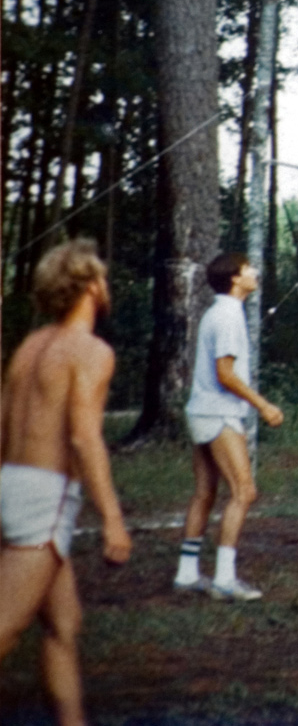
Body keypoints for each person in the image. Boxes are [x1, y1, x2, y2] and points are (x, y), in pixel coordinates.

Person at [0, 239, 132, 726]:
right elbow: (83, 438)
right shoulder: (91, 351)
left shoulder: (30, 346)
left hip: (9, 483)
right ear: (93, 287)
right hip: (45, 494)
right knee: (6, 626)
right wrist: (113, 520)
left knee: (63, 625)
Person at [173, 253, 284, 601]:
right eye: (249, 268)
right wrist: (263, 405)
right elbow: (225, 374)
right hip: (218, 413)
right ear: (236, 278)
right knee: (243, 491)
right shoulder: (227, 315)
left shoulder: (219, 312)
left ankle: (187, 574)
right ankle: (224, 579)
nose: (255, 272)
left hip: (202, 410)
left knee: (205, 493)